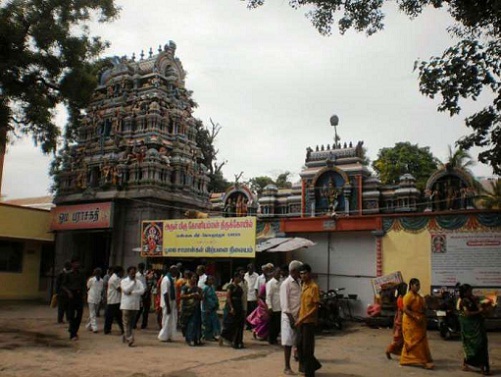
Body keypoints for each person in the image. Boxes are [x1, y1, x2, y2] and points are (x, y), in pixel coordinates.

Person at [400, 278, 434, 369]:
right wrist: (415, 316)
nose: (418, 287)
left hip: (420, 321)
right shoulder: (408, 296)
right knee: (414, 342)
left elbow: (422, 307)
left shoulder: (418, 296)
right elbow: (405, 309)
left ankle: (406, 359)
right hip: (411, 322)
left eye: (419, 285)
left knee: (421, 341)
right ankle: (422, 362)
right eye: (416, 285)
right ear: (411, 286)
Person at [458, 284, 491, 375]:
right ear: (465, 292)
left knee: (482, 343)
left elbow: (480, 307)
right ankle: (477, 366)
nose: (471, 292)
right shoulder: (464, 301)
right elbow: (467, 313)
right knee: (474, 345)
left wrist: (485, 305)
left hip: (478, 326)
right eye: (469, 290)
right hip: (469, 328)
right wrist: (479, 311)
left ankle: (482, 366)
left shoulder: (474, 299)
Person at [296, 264, 322, 377]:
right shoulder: (302, 285)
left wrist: (303, 318)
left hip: (309, 321)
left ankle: (310, 372)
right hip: (301, 320)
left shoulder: (314, 287)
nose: (303, 275)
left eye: (305, 273)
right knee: (299, 345)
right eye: (301, 273)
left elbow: (315, 307)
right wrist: (298, 317)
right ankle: (314, 365)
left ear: (309, 273)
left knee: (307, 348)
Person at [280, 260, 303, 375]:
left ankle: (301, 366)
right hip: (289, 318)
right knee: (288, 343)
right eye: (300, 271)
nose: (301, 273)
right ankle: (287, 367)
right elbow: (285, 305)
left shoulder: (299, 282)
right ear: (294, 271)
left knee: (298, 342)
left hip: (299, 317)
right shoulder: (286, 284)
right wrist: (291, 320)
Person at [61, 257, 87, 341]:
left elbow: (84, 285)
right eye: (75, 263)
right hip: (71, 295)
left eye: (78, 263)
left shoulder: (81, 274)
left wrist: (84, 294)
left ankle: (74, 330)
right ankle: (72, 334)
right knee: (71, 315)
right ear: (72, 264)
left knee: (79, 315)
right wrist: (68, 292)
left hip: (79, 295)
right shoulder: (68, 274)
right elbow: (63, 285)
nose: (77, 265)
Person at [120, 266, 145, 347]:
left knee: (131, 323)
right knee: (126, 322)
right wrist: (133, 283)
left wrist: (134, 292)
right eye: (131, 273)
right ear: (128, 273)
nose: (133, 275)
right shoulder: (124, 281)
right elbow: (126, 290)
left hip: (135, 305)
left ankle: (126, 336)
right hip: (126, 305)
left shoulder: (139, 282)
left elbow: (142, 291)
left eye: (134, 273)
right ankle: (130, 338)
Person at [220, 271, 245, 349]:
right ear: (235, 278)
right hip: (232, 307)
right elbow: (228, 297)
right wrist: (231, 307)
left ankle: (237, 341)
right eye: (239, 277)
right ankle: (223, 337)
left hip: (239, 307)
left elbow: (242, 298)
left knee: (238, 325)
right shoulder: (230, 286)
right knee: (230, 324)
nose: (240, 279)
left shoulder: (240, 288)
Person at [180, 271, 203, 346]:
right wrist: (191, 295)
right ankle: (190, 339)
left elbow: (202, 297)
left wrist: (198, 296)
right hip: (187, 308)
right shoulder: (185, 287)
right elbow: (182, 296)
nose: (195, 279)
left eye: (196, 277)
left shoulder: (198, 288)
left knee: (196, 323)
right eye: (193, 277)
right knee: (189, 324)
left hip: (196, 308)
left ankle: (196, 339)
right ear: (189, 278)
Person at [385, 282, 407, 359]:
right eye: (404, 288)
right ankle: (388, 350)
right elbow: (403, 309)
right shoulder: (400, 299)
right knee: (398, 339)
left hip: (402, 319)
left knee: (403, 339)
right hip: (400, 320)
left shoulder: (402, 298)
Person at [158, 265, 178, 342]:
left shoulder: (171, 279)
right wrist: (168, 306)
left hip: (171, 302)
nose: (176, 273)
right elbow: (165, 293)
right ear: (171, 271)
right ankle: (163, 336)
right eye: (175, 271)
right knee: (166, 320)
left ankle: (169, 336)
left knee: (171, 320)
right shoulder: (166, 280)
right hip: (167, 303)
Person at [104, 266, 124, 335]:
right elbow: (119, 289)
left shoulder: (117, 278)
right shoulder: (114, 279)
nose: (123, 274)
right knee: (111, 316)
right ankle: (107, 330)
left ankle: (122, 329)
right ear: (119, 272)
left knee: (117, 316)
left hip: (116, 299)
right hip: (113, 300)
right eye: (122, 272)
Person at [266, 267, 282, 345]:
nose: (279, 274)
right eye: (278, 272)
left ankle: (274, 338)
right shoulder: (270, 283)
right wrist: (269, 307)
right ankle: (271, 338)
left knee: (278, 325)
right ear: (274, 273)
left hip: (280, 307)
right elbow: (268, 296)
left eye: (280, 272)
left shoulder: (281, 282)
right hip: (273, 307)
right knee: (273, 325)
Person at [202, 275, 220, 341]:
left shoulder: (212, 287)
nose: (211, 281)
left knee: (214, 322)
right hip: (207, 308)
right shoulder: (205, 288)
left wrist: (216, 304)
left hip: (213, 308)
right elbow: (204, 299)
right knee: (207, 323)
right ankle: (205, 336)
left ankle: (212, 335)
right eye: (210, 280)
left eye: (212, 280)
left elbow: (214, 297)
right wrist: (206, 308)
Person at [85, 268, 104, 333]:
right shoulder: (91, 280)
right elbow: (88, 286)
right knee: (92, 313)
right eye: (97, 273)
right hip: (91, 297)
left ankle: (88, 325)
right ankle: (94, 327)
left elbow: (101, 290)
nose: (98, 274)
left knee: (94, 313)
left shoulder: (101, 280)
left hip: (98, 298)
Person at [132, 262, 150, 330]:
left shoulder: (144, 275)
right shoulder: (136, 276)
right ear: (139, 268)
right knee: (139, 310)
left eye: (143, 268)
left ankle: (144, 324)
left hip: (146, 293)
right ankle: (134, 323)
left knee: (146, 310)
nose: (142, 269)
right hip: (140, 294)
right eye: (141, 268)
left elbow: (145, 283)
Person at [244, 263, 259, 330]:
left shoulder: (256, 275)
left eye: (252, 268)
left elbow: (257, 286)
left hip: (253, 297)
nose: (251, 269)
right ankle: (248, 325)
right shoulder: (245, 275)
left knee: (253, 312)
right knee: (247, 312)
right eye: (249, 268)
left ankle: (253, 325)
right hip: (246, 296)